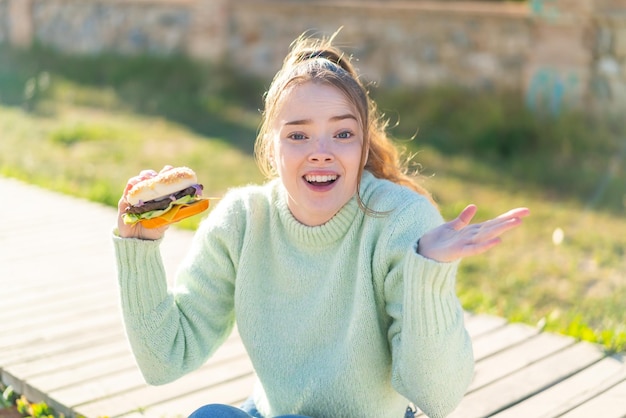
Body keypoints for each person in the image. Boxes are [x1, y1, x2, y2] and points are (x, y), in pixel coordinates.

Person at [113, 31, 529, 418]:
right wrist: (140, 248)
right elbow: (164, 359)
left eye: (343, 134)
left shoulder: (402, 220)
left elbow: (437, 395)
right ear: (271, 150)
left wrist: (428, 274)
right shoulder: (243, 221)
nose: (321, 153)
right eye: (298, 136)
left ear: (363, 144)